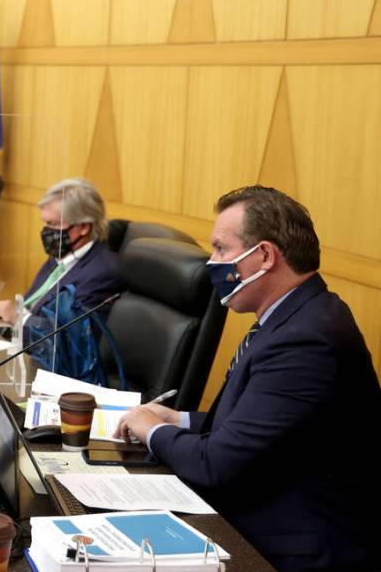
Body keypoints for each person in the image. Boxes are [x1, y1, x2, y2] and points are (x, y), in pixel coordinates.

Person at [115, 186, 380, 571]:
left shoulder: (306, 340)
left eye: (221, 249)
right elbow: (261, 424)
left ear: (265, 256)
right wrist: (180, 419)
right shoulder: (295, 315)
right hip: (261, 508)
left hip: (290, 548)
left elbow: (218, 464)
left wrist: (151, 429)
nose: (212, 262)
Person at [0, 177, 123, 340]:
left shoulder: (103, 273)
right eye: (46, 224)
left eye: (54, 224)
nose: (46, 232)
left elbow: (72, 338)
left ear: (84, 227)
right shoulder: (61, 256)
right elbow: (34, 309)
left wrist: (20, 318)